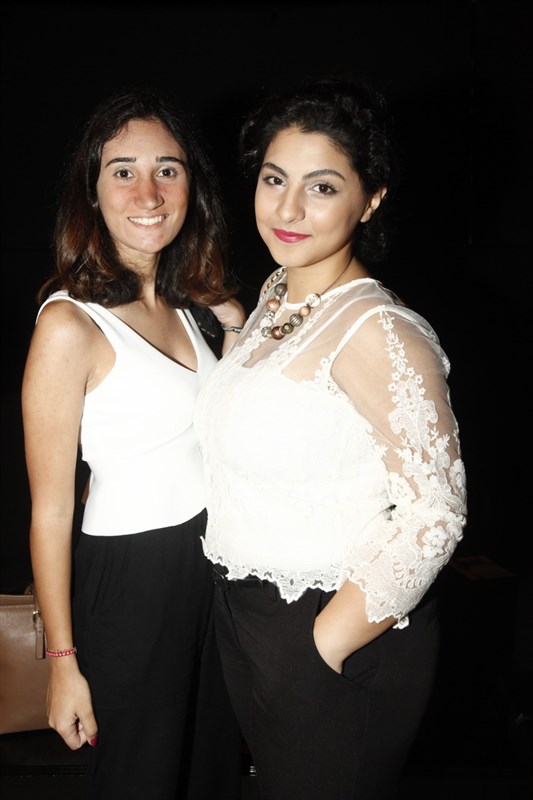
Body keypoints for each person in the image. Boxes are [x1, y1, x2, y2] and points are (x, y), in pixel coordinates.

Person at [193, 75, 467, 800]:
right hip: (249, 618)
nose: (287, 209)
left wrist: (321, 647)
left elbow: (436, 513)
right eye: (273, 179)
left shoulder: (379, 329)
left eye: (321, 187)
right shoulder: (276, 296)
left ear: (370, 199)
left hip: (328, 627)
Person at [21, 86, 245, 800]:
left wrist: (231, 319)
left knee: (209, 774)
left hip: (212, 569)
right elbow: (52, 510)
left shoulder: (188, 307)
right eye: (123, 171)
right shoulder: (69, 325)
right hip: (132, 581)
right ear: (91, 190)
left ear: (191, 186)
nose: (148, 193)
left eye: (167, 170)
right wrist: (62, 662)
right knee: (139, 779)